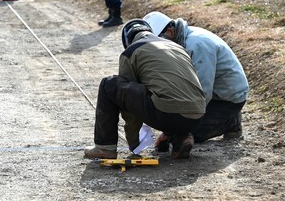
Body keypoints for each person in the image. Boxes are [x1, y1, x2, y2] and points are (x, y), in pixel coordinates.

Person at [84, 19, 206, 159]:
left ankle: (105, 147)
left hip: (168, 113)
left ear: (127, 41)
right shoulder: (178, 48)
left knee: (109, 84)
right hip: (198, 116)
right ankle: (182, 139)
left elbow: (128, 106)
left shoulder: (131, 51)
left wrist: (134, 142)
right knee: (168, 94)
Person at [143, 11, 249, 146]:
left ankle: (230, 122)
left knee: (185, 135)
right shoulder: (180, 40)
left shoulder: (197, 45)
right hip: (212, 94)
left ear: (170, 32)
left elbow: (203, 90)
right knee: (177, 129)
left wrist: (173, 130)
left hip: (226, 98)